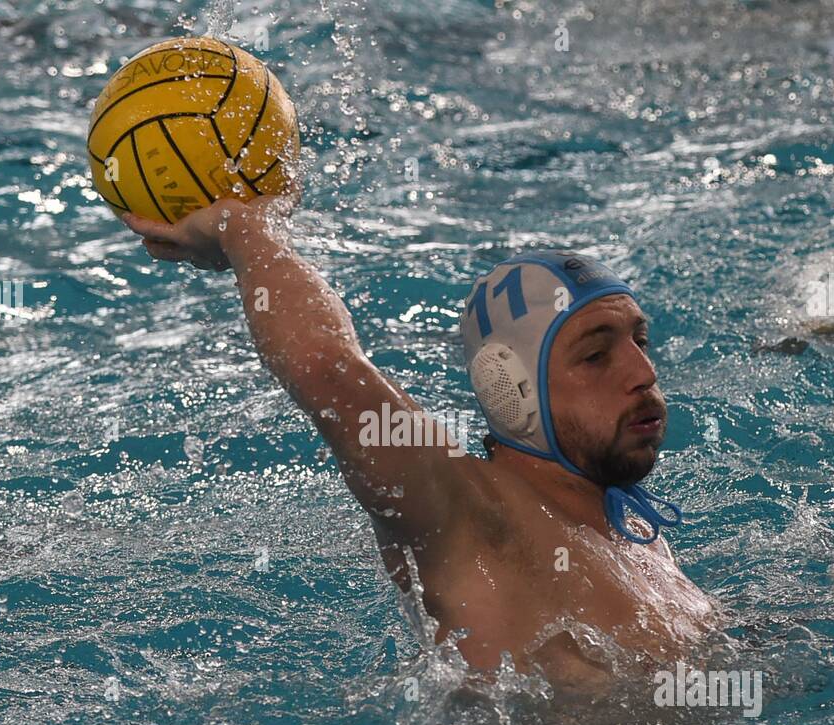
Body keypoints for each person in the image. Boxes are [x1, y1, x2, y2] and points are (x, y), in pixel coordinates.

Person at [122, 196, 721, 685]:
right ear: (511, 387)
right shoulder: (471, 513)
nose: (643, 372)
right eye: (595, 355)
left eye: (639, 340)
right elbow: (324, 365)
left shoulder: (637, 540)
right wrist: (244, 226)